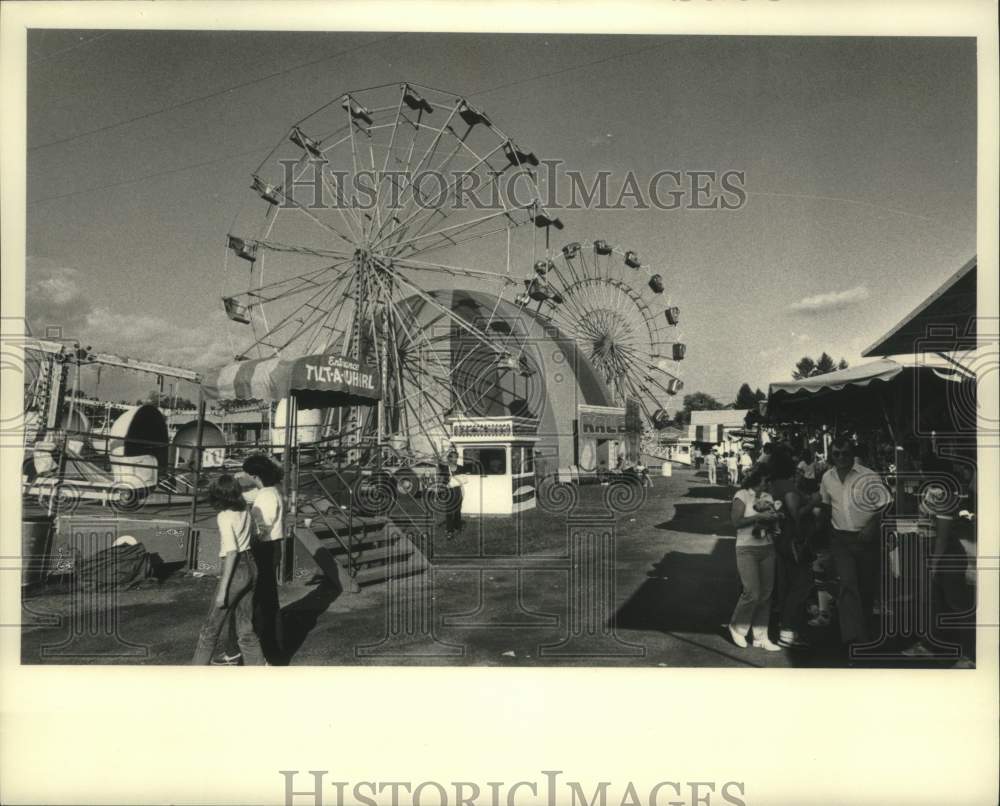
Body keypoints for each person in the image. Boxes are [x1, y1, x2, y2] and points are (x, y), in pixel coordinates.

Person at [819, 436, 892, 646]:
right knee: (848, 585)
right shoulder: (827, 478)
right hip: (840, 539)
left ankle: (866, 629)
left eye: (845, 453)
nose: (841, 458)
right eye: (836, 454)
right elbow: (826, 506)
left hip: (866, 539)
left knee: (866, 588)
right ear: (831, 455)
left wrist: (872, 526)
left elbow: (886, 504)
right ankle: (853, 637)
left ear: (853, 453)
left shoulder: (869, 476)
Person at [192, 475, 266, 666]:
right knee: (246, 628)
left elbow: (232, 552)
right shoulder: (246, 511)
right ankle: (259, 670)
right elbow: (257, 535)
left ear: (219, 496)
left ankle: (193, 675)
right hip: (251, 564)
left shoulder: (224, 516)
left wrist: (223, 591)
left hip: (236, 569)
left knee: (210, 628)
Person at [727, 468, 783, 651]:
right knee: (752, 592)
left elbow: (772, 517)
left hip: (767, 547)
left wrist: (774, 518)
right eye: (765, 481)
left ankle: (761, 637)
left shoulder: (767, 495)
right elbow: (736, 522)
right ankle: (737, 628)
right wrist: (759, 516)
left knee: (766, 594)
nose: (767, 485)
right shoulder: (742, 495)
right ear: (756, 480)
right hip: (746, 548)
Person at [767, 446, 815, 647]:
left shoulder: (773, 485)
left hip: (779, 540)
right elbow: (796, 513)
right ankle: (788, 630)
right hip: (793, 540)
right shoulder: (787, 486)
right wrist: (813, 502)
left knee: (786, 584)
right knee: (801, 584)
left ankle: (785, 629)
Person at [442, 451, 465, 539]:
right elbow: (443, 482)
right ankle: (449, 531)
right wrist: (446, 481)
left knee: (457, 511)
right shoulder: (445, 469)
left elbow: (463, 480)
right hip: (449, 492)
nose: (455, 459)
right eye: (453, 457)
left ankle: (457, 527)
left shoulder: (460, 468)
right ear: (449, 458)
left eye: (456, 457)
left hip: (458, 491)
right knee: (449, 512)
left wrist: (456, 479)